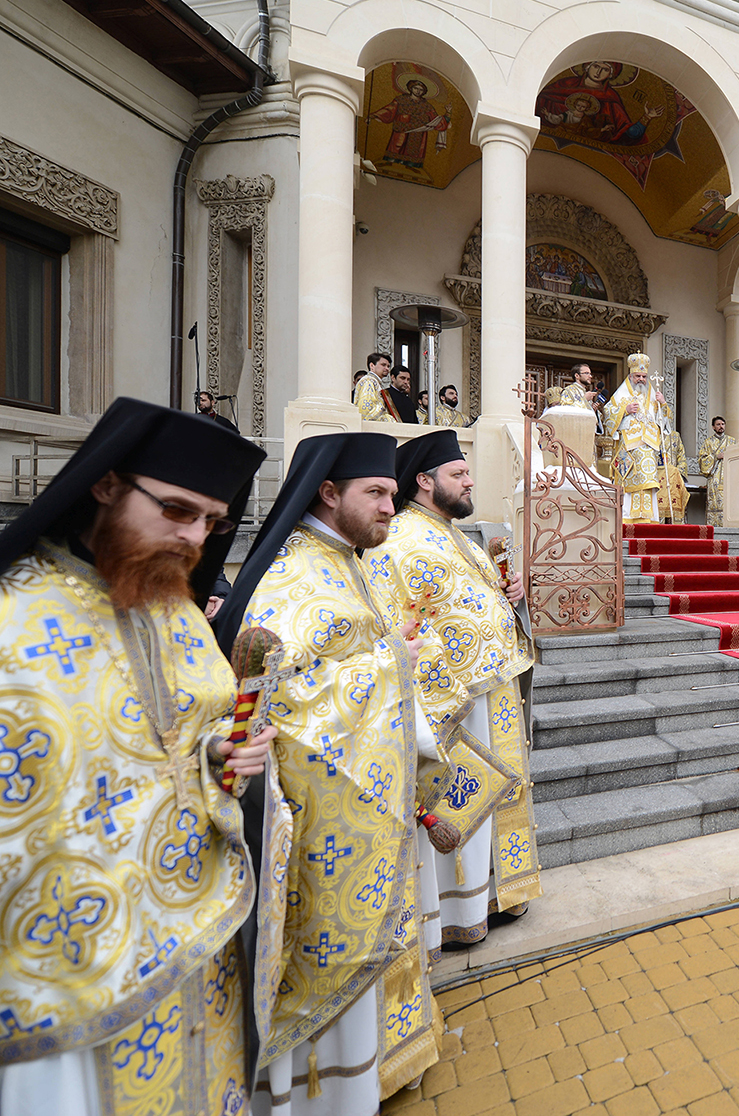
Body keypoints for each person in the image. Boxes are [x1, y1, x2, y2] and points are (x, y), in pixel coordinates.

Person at [0, 397, 270, 1113]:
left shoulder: (174, 607)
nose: (194, 538)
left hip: (192, 927)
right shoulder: (13, 614)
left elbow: (180, 732)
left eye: (212, 521)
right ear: (106, 483)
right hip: (67, 966)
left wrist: (221, 752)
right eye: (178, 510)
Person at [215, 433, 443, 1112]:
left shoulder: (346, 559)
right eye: (376, 492)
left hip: (370, 796)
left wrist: (388, 663)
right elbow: (287, 701)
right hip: (321, 817)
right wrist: (391, 666)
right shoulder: (290, 575)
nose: (390, 504)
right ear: (328, 491)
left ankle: (369, 1073)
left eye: (392, 492)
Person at [367, 431, 541, 956]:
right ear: (424, 481)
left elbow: (481, 606)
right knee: (464, 801)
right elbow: (397, 627)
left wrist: (511, 596)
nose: (470, 482)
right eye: (458, 474)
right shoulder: (396, 541)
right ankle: (458, 911)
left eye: (467, 473)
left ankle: (495, 896)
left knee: (500, 798)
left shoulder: (457, 536)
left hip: (496, 691)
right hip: (456, 706)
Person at [609, 353, 689, 523]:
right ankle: (628, 519)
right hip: (629, 448)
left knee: (649, 482)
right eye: (637, 376)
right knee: (630, 482)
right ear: (630, 376)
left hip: (649, 447)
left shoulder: (653, 395)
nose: (641, 380)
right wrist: (625, 410)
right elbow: (607, 414)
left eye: (644, 377)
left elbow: (665, 421)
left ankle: (649, 519)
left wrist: (663, 403)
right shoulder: (621, 395)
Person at [697, 415, 736, 528]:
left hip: (729, 478)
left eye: (723, 424)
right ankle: (713, 528)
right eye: (718, 425)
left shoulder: (732, 441)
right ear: (713, 427)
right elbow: (702, 460)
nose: (721, 427)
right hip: (714, 479)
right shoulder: (708, 442)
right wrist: (715, 457)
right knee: (714, 503)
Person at [354, 351, 398, 422]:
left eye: (388, 366)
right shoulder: (368, 380)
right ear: (372, 366)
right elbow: (366, 411)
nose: (387, 369)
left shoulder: (375, 382)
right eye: (383, 365)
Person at [559, 363, 602, 431]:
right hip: (574, 431)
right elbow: (565, 413)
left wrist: (593, 410)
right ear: (577, 375)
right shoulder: (568, 391)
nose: (590, 376)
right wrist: (584, 400)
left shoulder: (585, 392)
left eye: (590, 374)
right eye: (587, 373)